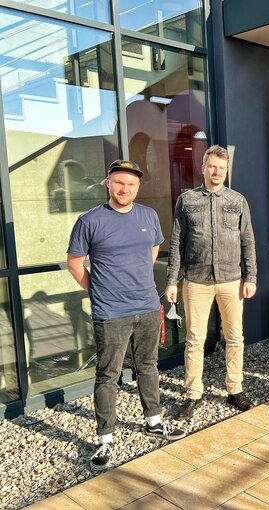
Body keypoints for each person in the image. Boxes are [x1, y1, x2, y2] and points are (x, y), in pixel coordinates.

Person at [67, 160, 186, 472]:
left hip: (147, 307)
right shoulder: (90, 220)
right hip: (110, 313)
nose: (125, 188)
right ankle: (105, 438)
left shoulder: (148, 216)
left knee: (148, 366)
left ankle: (154, 421)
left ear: (138, 187)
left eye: (131, 184)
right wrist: (99, 291)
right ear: (108, 183)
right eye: (119, 182)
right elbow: (75, 264)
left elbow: (151, 252)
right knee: (108, 374)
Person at [166, 145, 257, 418]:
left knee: (235, 337)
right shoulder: (187, 200)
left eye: (222, 168)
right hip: (196, 280)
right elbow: (176, 243)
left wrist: (251, 277)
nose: (217, 172)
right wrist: (171, 280)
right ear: (202, 168)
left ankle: (235, 389)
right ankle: (193, 393)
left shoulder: (238, 201)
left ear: (226, 171)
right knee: (195, 339)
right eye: (212, 167)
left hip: (231, 280)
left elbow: (248, 241)